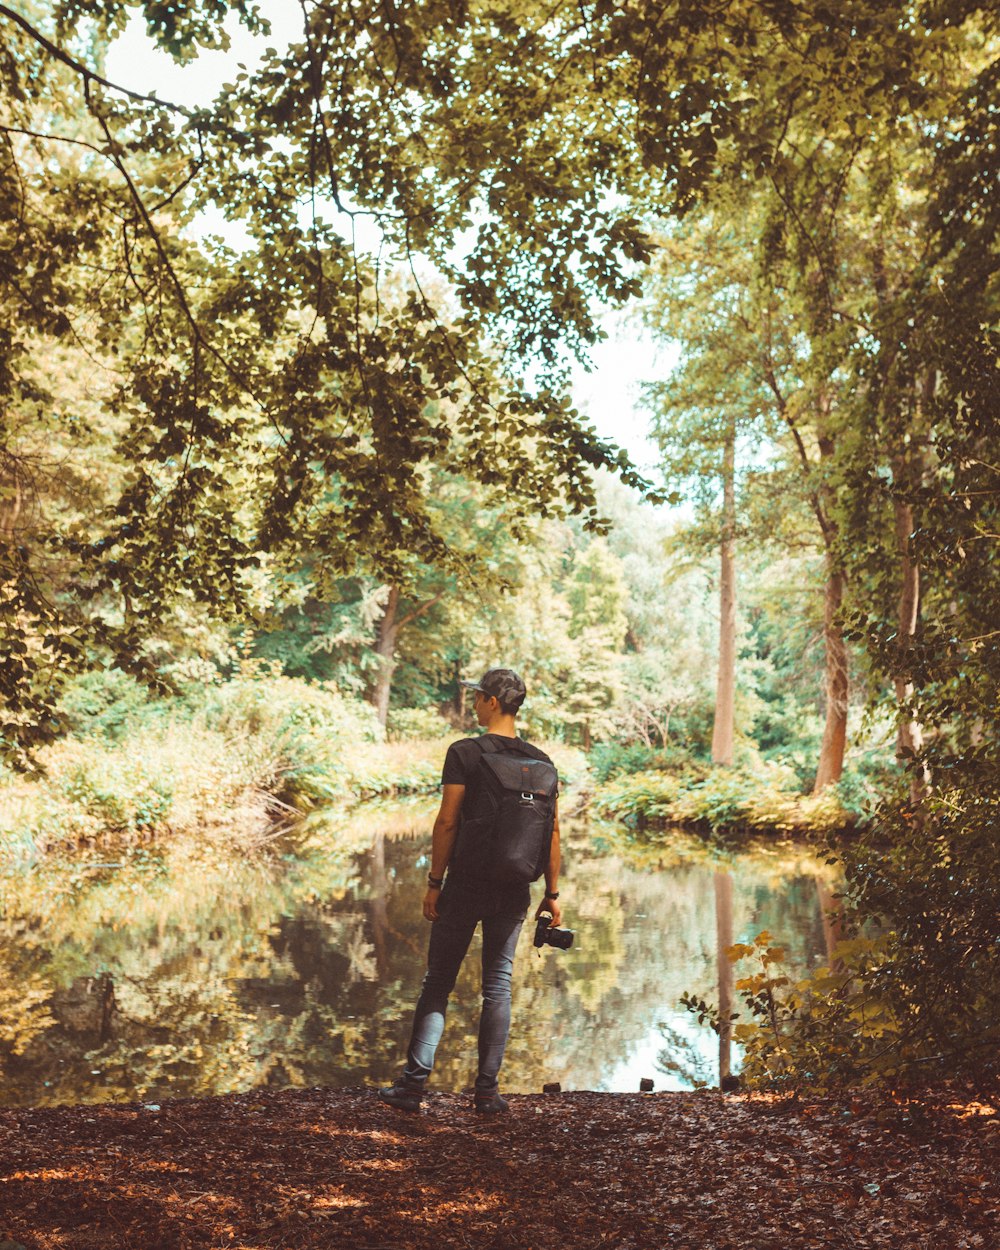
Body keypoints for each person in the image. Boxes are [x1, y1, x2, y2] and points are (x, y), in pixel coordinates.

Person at [378, 667, 562, 1115]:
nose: (474, 703)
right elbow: (552, 834)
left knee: (438, 983)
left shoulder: (465, 753)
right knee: (497, 988)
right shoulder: (543, 763)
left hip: (465, 883)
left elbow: (446, 821)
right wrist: (552, 894)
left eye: (478, 696)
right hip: (516, 887)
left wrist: (434, 882)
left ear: (493, 702)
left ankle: (411, 1088)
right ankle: (487, 1093)